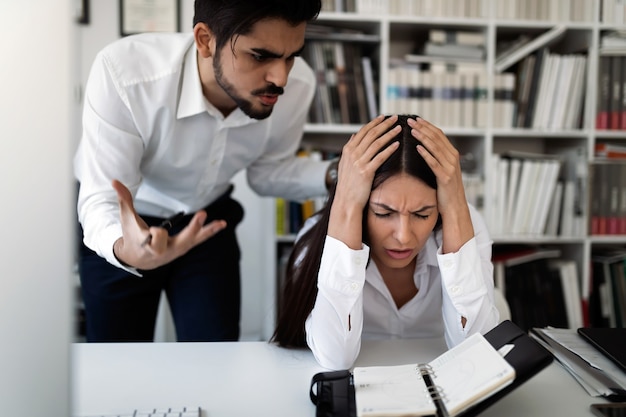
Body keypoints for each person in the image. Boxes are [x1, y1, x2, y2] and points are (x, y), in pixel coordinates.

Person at [74, 0, 333, 343]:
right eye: (260, 55)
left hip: (207, 225)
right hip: (125, 227)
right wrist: (125, 248)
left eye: (291, 55)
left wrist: (339, 173)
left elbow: (268, 172)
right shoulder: (125, 74)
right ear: (205, 40)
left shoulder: (298, 85)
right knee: (116, 363)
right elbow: (101, 200)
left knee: (215, 361)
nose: (280, 78)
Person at [272, 115, 500, 370]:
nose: (403, 236)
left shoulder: (462, 224)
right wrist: (345, 204)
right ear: (359, 204)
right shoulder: (314, 238)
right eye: (383, 213)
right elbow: (335, 358)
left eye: (422, 214)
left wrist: (456, 205)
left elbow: (476, 351)